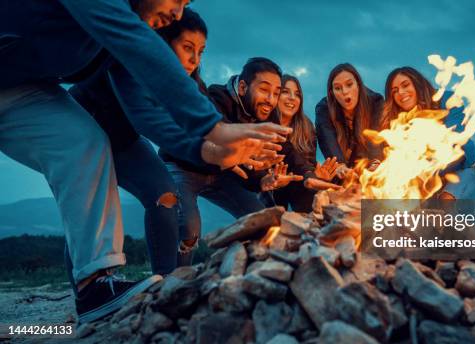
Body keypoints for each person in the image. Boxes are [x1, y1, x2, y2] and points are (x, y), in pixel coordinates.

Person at [0, 0, 289, 323]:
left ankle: (94, 286)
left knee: (84, 141)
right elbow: (133, 40)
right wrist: (214, 127)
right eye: (178, 0)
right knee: (96, 148)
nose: (178, 13)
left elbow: (146, 114)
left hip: (21, 89)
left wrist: (211, 151)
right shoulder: (122, 24)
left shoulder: (121, 46)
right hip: (22, 80)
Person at [65, 8, 209, 286]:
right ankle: (87, 291)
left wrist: (240, 153)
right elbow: (150, 120)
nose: (194, 59)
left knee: (165, 194)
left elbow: (201, 124)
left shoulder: (187, 84)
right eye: (187, 48)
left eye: (201, 52)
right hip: (85, 129)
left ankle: (165, 282)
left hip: (126, 142)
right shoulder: (131, 57)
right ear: (165, 43)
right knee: (89, 212)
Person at [160, 57, 303, 266]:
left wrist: (263, 181)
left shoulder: (271, 115)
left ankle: (259, 269)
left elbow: (259, 161)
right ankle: (171, 281)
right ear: (243, 87)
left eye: (276, 93)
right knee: (189, 226)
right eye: (265, 90)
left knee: (262, 218)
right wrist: (247, 158)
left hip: (222, 174)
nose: (271, 100)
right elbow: (225, 139)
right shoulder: (217, 97)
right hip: (184, 166)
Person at [381, 66, 475, 199]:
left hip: (462, 169)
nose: (401, 92)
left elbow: (454, 136)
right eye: (395, 91)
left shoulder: (449, 99)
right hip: (424, 178)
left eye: (406, 85)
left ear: (417, 84)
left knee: (446, 202)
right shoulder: (398, 122)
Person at [269, 74, 341, 212]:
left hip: (299, 182)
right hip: (271, 182)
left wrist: (317, 175)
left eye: (297, 94)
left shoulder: (306, 127)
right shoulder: (266, 123)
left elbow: (307, 163)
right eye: (285, 92)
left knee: (314, 198)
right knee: (271, 212)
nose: (292, 98)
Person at [315, 63, 384, 179]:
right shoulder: (324, 108)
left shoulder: (375, 101)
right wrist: (339, 165)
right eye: (337, 88)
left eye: (349, 84)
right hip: (342, 169)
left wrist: (375, 162)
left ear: (358, 84)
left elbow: (375, 135)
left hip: (370, 163)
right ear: (332, 92)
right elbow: (327, 137)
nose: (345, 92)